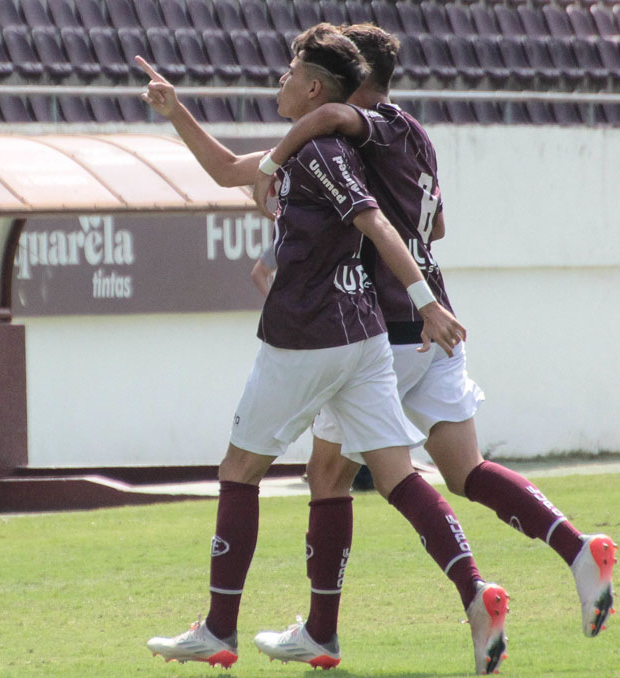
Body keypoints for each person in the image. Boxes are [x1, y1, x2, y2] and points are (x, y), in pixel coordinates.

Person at [136, 24, 509, 676]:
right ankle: (476, 595)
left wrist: (425, 301)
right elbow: (228, 169)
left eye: (288, 72)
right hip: (363, 339)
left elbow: (376, 224)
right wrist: (176, 112)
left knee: (238, 468)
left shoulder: (315, 154)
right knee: (394, 475)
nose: (279, 80)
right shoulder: (305, 148)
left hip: (305, 335)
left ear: (313, 87)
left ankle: (219, 628)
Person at [250, 22, 618, 645]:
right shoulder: (415, 133)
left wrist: (272, 161)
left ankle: (342, 625)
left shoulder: (364, 127)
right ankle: (579, 550)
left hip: (384, 328)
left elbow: (322, 124)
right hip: (435, 318)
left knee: (337, 475)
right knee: (466, 468)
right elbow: (437, 225)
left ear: (355, 80)